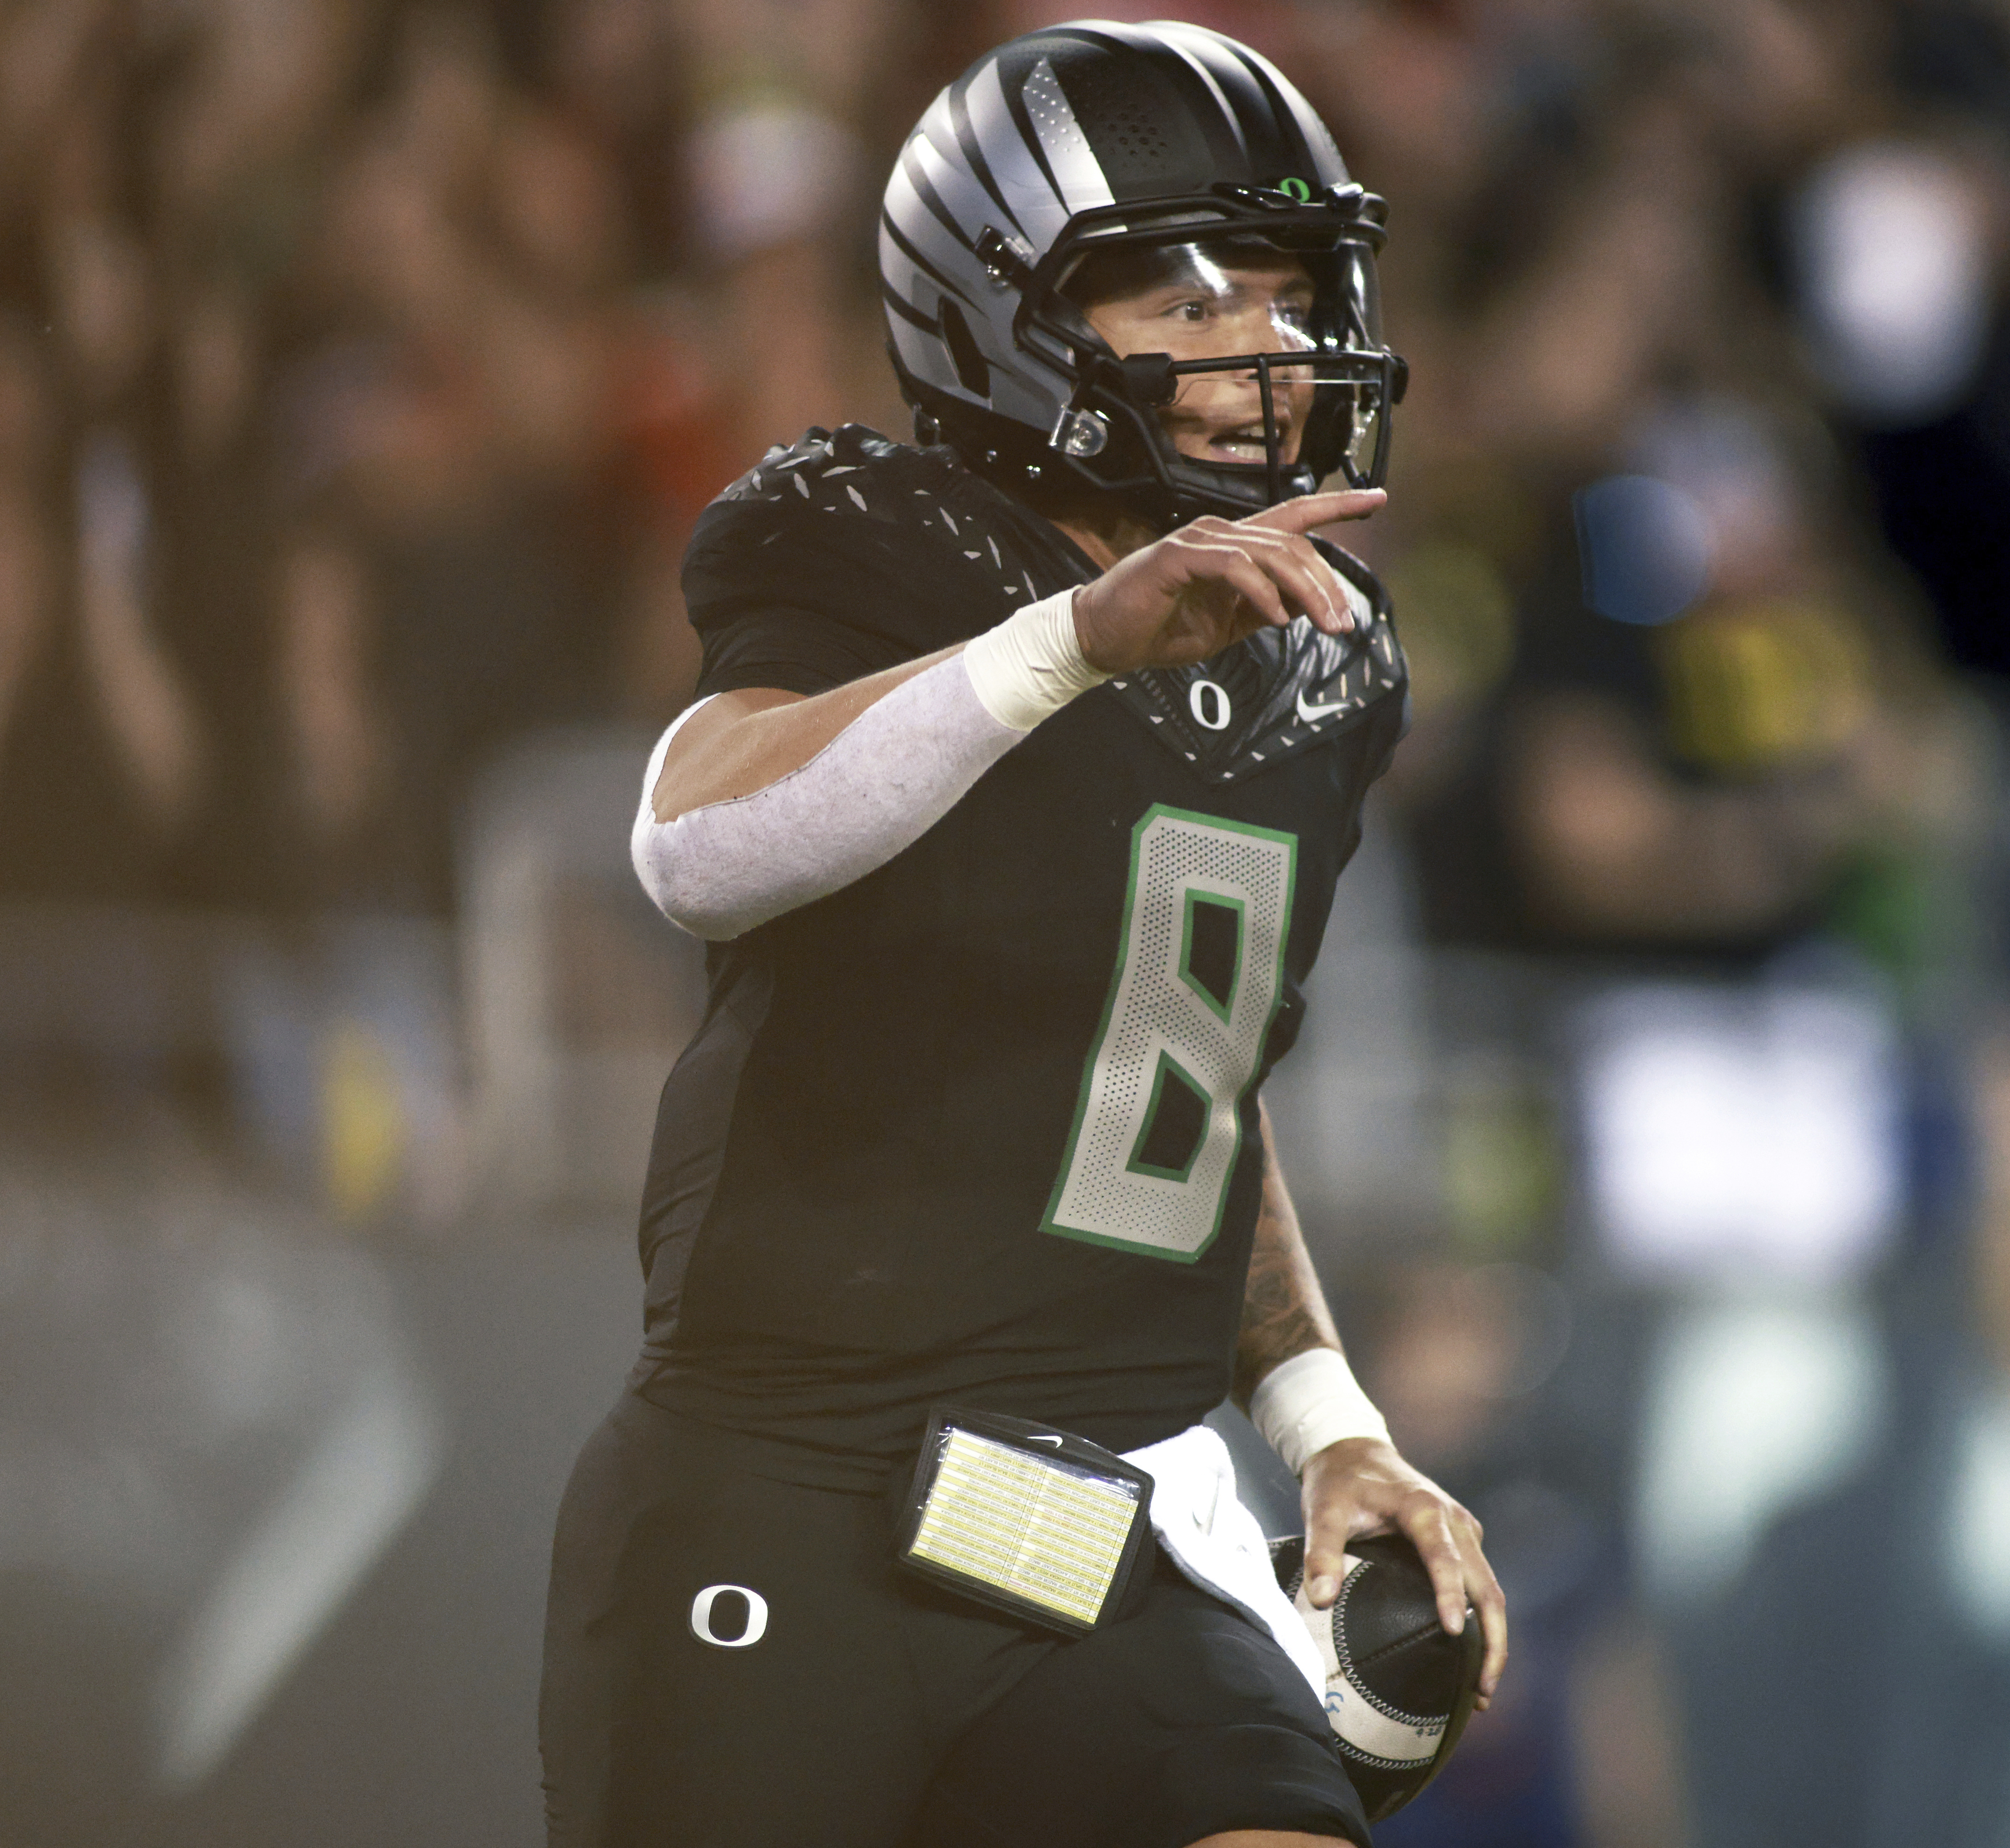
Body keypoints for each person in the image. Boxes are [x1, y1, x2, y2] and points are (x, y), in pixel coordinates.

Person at [537, 24, 1505, 1848]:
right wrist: (1066, 646)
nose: (1259, 343)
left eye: (1285, 287)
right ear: (1004, 316)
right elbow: (694, 837)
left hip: (1083, 1522)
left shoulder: (1321, 651)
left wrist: (1326, 1423)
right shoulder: (880, 541)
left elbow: (1181, 1063)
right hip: (778, 1494)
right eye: (1177, 291)